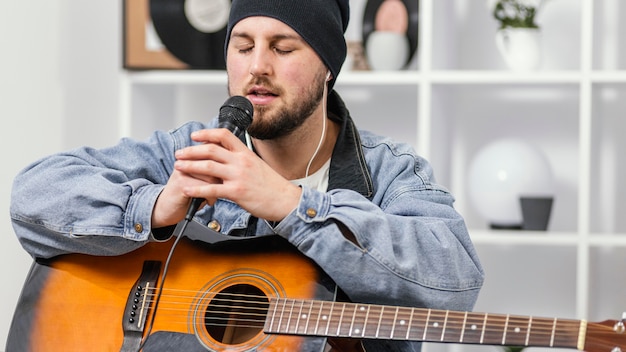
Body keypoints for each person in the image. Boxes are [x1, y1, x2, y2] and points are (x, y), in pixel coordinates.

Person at [10, 0, 484, 351]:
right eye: (243, 46)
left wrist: (291, 205)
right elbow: (34, 194)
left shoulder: (389, 171)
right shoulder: (192, 151)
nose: (257, 67)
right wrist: (156, 207)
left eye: (283, 47)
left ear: (327, 70)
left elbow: (456, 281)